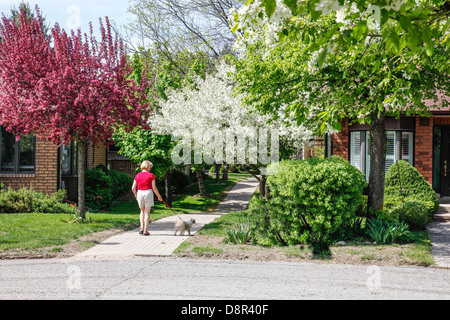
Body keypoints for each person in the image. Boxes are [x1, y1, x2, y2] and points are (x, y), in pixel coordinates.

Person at [131, 160, 162, 235]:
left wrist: (136, 195)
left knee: (142, 211)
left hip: (140, 193)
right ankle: (145, 230)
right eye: (150, 167)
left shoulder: (137, 175)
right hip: (148, 193)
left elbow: (133, 188)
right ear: (148, 167)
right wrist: (159, 197)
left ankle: (141, 228)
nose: (150, 169)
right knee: (147, 213)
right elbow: (154, 188)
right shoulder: (151, 175)